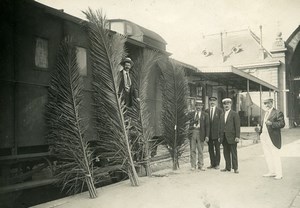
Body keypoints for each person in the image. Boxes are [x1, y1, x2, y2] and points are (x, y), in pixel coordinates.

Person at [255, 97, 285, 180]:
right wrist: (259, 130)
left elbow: (282, 124)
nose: (266, 105)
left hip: (273, 137)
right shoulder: (264, 113)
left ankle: (279, 174)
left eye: (268, 103)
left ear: (272, 102)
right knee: (267, 155)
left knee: (275, 155)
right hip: (264, 137)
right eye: (265, 103)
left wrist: (272, 123)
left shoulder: (278, 112)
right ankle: (272, 172)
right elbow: (262, 125)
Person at [219, 98, 240, 174]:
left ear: (231, 104)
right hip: (224, 137)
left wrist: (237, 136)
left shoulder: (234, 114)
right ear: (223, 105)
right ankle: (227, 167)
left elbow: (237, 126)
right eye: (225, 104)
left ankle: (235, 168)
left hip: (232, 137)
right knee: (226, 153)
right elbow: (220, 126)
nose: (226, 105)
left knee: (233, 153)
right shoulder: (222, 115)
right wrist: (220, 137)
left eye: (228, 104)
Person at [189, 100, 210, 171]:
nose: (198, 107)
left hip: (201, 134)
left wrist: (207, 136)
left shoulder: (205, 115)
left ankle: (200, 165)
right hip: (193, 133)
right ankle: (193, 165)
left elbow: (207, 126)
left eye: (200, 105)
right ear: (195, 106)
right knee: (192, 149)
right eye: (197, 105)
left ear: (202, 106)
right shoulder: (191, 114)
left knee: (200, 150)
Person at [205, 96, 223, 169]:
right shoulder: (206, 111)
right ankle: (212, 163)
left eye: (213, 101)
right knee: (210, 149)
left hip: (217, 134)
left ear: (216, 102)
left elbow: (222, 123)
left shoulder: (219, 111)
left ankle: (217, 164)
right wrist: (206, 135)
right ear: (209, 102)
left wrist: (220, 135)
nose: (212, 102)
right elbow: (205, 123)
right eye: (211, 101)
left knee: (217, 149)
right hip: (209, 134)